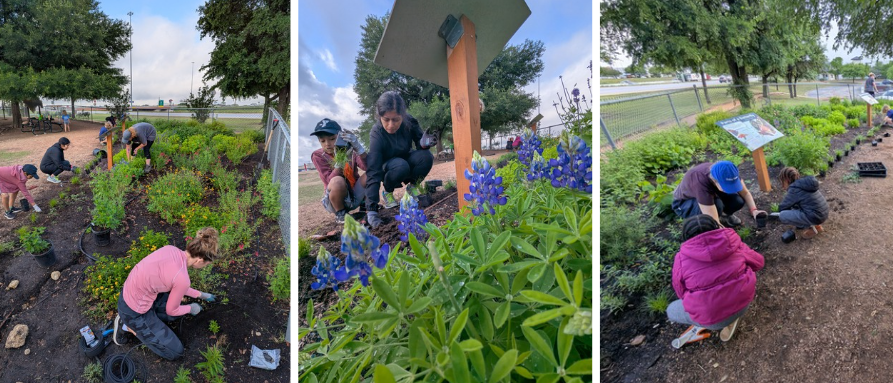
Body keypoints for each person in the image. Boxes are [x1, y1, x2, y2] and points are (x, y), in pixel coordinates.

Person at [113, 227, 221, 360]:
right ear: (199, 260)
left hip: (131, 294)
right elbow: (172, 309)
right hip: (134, 312)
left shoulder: (171, 250)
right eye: (206, 264)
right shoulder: (181, 278)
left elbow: (176, 283)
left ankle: (147, 320)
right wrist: (191, 308)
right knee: (175, 352)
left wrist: (200, 294)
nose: (204, 267)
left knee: (175, 310)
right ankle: (126, 326)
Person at [668, 214, 765, 348]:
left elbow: (680, 292)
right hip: (743, 304)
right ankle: (730, 319)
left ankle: (703, 322)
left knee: (670, 310)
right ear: (716, 227)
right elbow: (759, 263)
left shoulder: (681, 259)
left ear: (686, 236)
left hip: (712, 321)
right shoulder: (734, 244)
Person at [364, 91, 436, 228]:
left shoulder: (410, 122)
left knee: (426, 157)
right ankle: (388, 192)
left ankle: (413, 187)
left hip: (406, 157)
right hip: (389, 166)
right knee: (400, 165)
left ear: (403, 116)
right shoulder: (376, 133)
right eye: (386, 119)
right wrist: (371, 210)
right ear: (379, 117)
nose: (391, 125)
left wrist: (424, 144)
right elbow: (373, 170)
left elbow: (420, 144)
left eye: (396, 119)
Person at [671, 161, 766, 227]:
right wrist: (727, 236)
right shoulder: (700, 182)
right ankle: (704, 229)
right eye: (726, 186)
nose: (731, 189)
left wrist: (754, 210)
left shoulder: (729, 172)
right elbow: (714, 222)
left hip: (712, 193)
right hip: (685, 203)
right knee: (717, 207)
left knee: (737, 201)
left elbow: (745, 193)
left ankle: (724, 217)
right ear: (715, 181)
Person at [310, 118, 368, 224]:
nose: (327, 144)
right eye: (322, 141)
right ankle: (341, 214)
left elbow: (368, 167)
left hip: (355, 193)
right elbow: (328, 180)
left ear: (340, 137)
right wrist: (340, 163)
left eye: (332, 139)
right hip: (335, 200)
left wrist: (359, 148)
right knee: (337, 180)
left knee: (371, 174)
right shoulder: (318, 155)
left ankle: (366, 205)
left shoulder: (350, 150)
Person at [775, 167, 828, 239]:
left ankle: (811, 228)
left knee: (782, 215)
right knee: (796, 207)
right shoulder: (804, 184)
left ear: (786, 180)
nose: (782, 185)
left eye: (782, 182)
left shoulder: (794, 189)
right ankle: (817, 226)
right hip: (823, 213)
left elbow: (782, 207)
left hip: (816, 216)